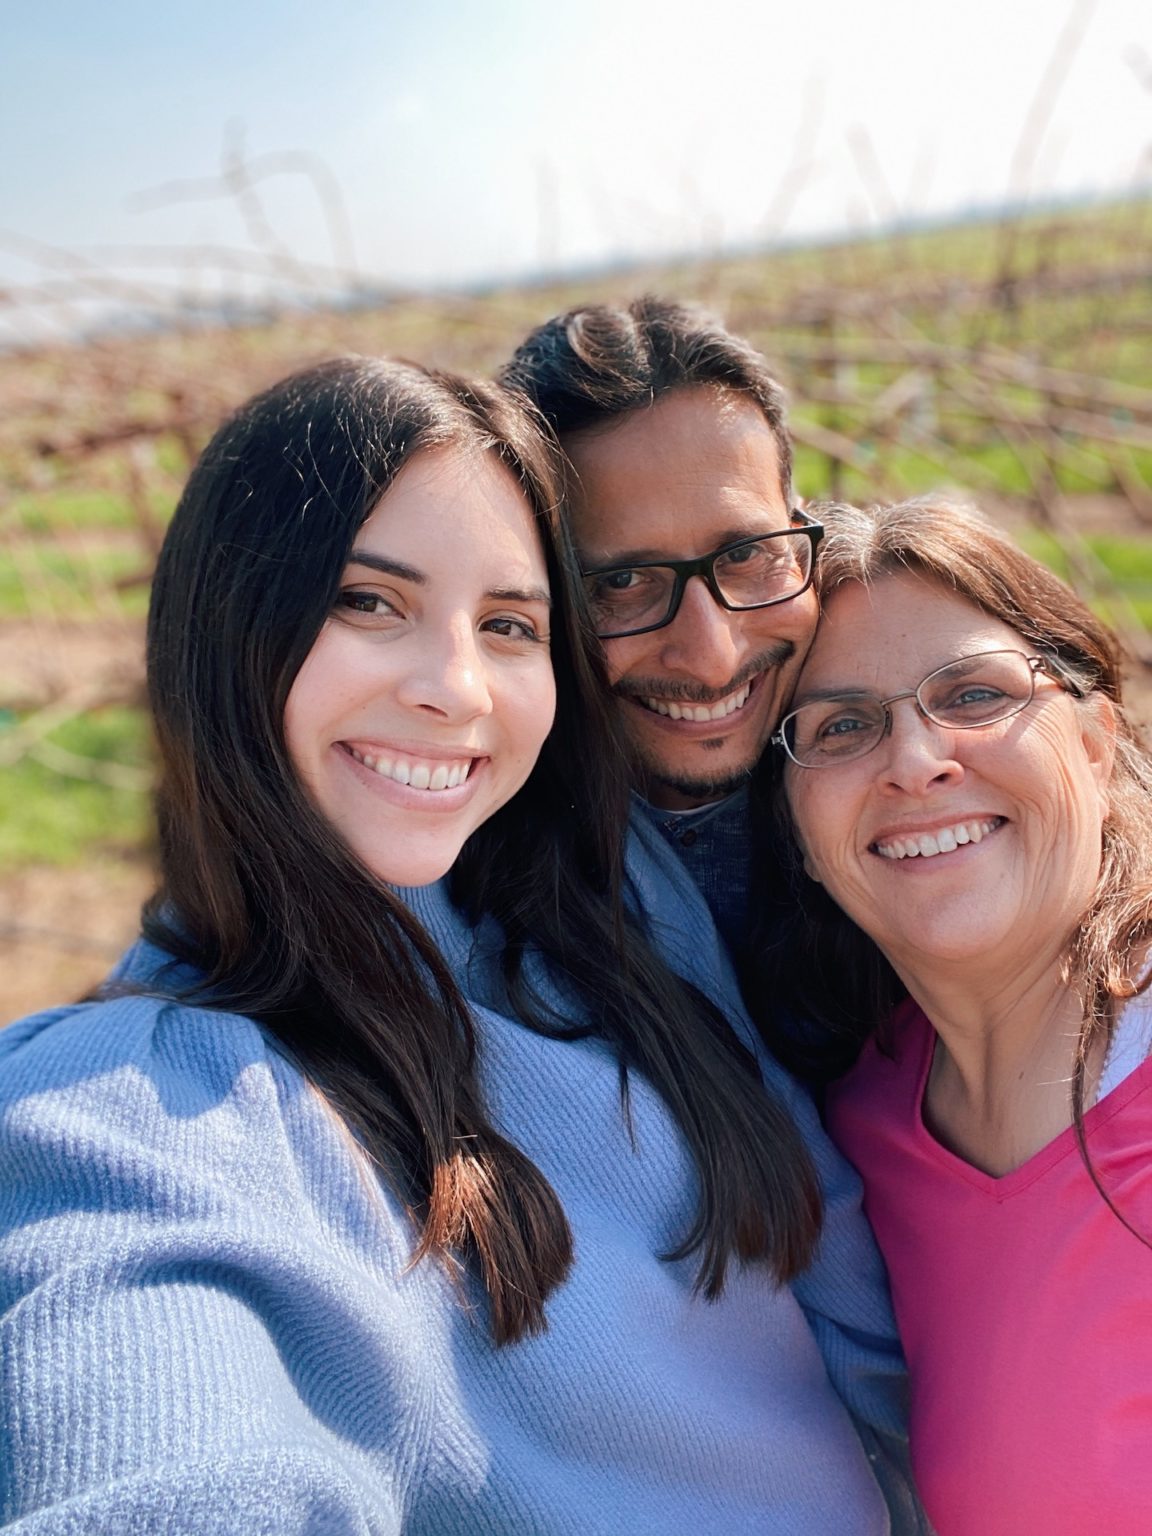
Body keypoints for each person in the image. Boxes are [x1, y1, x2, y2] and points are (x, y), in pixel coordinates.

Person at [0, 359, 918, 1532]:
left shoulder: (605, 902)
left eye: (508, 624)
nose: (456, 687)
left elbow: (845, 1294)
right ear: (223, 625)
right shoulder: (133, 1103)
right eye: (368, 602)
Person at [772, 495, 1152, 1535]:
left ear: (1090, 740)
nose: (913, 758)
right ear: (797, 827)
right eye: (843, 725)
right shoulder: (855, 1138)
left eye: (974, 694)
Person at [502, 295, 817, 962]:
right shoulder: (470, 888)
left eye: (744, 555)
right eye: (621, 584)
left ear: (800, 531)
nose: (711, 656)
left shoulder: (922, 769)